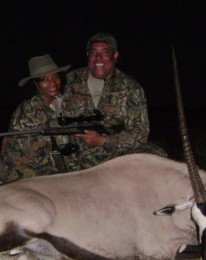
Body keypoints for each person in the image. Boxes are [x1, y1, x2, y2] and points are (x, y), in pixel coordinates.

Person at [62, 32, 166, 171]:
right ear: (88, 55)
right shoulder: (68, 81)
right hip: (74, 159)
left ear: (115, 56)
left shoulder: (130, 87)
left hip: (115, 160)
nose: (98, 57)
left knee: (156, 155)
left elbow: (140, 132)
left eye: (105, 52)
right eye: (93, 52)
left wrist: (103, 141)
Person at [0, 54, 71, 183]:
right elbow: (36, 159)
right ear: (36, 83)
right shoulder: (28, 111)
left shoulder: (62, 102)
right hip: (22, 179)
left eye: (55, 76)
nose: (52, 83)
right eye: (44, 79)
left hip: (49, 173)